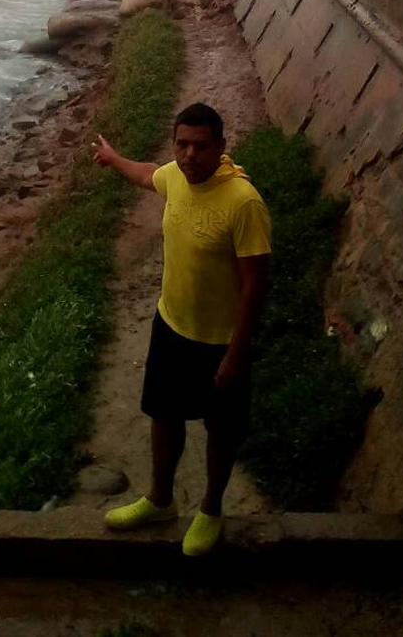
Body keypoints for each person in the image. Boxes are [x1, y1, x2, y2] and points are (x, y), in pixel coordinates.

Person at [91, 102, 271, 557]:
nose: (189, 155)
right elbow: (146, 173)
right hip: (171, 324)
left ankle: (211, 508)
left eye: (201, 146)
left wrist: (235, 354)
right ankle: (160, 499)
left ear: (221, 148)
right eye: (182, 144)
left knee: (221, 429)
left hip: (220, 342)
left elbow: (255, 287)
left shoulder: (243, 203)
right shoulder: (175, 175)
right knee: (164, 414)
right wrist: (113, 159)